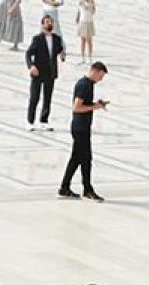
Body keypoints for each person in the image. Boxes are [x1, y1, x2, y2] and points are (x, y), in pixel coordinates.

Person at [58, 61, 108, 202]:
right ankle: (87, 189)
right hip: (80, 128)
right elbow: (77, 107)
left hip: (82, 127)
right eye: (101, 76)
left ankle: (64, 188)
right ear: (95, 71)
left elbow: (84, 104)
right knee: (86, 159)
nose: (101, 79)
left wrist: (95, 104)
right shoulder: (84, 85)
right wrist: (94, 107)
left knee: (76, 159)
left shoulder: (89, 84)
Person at [25, 15, 65, 131]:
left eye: (50, 22)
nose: (49, 24)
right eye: (47, 22)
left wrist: (62, 55)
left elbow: (59, 50)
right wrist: (31, 66)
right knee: (34, 97)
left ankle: (44, 120)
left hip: (50, 72)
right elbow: (28, 54)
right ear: (42, 24)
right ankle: (30, 121)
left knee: (48, 97)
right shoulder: (37, 39)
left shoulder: (57, 39)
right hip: (38, 72)